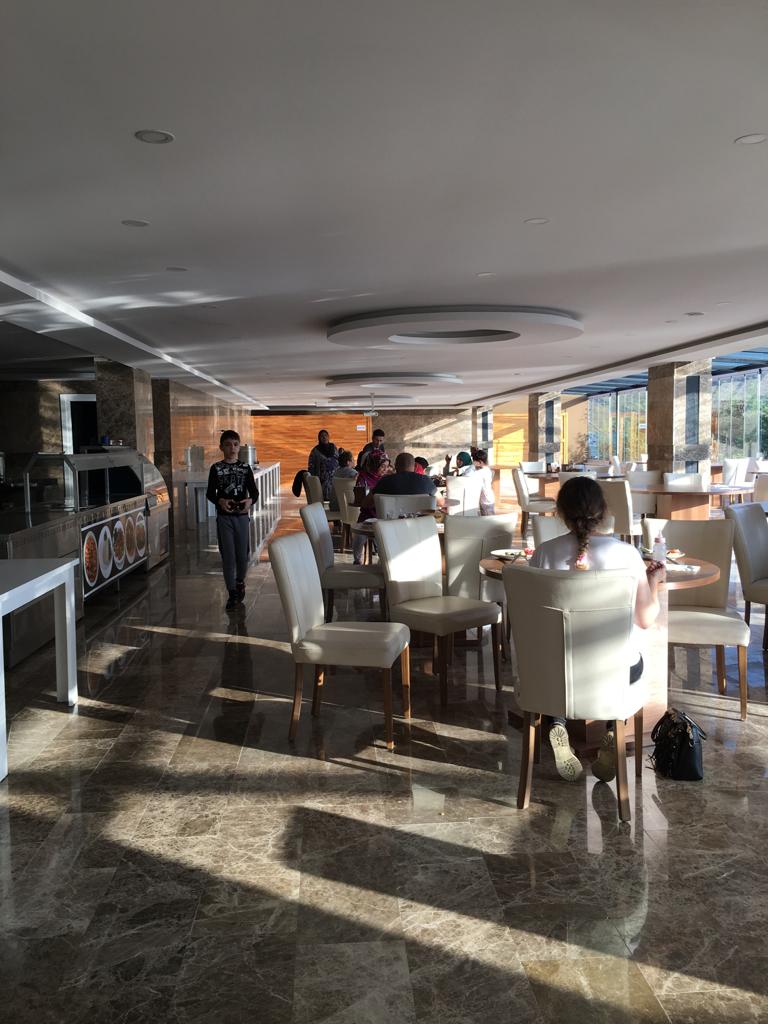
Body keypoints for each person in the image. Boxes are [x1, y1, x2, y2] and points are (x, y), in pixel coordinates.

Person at [527, 477, 664, 783]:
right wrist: (654, 583)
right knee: (632, 657)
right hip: (613, 672)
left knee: (559, 655)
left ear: (561, 513)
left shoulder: (544, 553)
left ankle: (557, 723)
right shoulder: (627, 555)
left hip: (555, 673)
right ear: (603, 511)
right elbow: (645, 619)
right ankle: (613, 729)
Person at [206, 430, 259, 610]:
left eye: (235, 444)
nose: (232, 448)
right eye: (228, 445)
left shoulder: (245, 468)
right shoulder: (216, 468)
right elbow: (210, 493)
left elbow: (254, 493)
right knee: (228, 555)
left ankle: (240, 581)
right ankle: (231, 592)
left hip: (241, 517)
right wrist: (220, 501)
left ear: (239, 447)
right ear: (221, 447)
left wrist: (249, 501)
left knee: (242, 555)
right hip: (224, 518)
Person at [352, 451, 390, 564]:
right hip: (367, 515)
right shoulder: (363, 477)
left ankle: (383, 561)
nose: (385, 469)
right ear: (374, 465)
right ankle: (357, 561)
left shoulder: (387, 479)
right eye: (382, 466)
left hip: (382, 516)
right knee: (359, 538)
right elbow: (360, 499)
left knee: (383, 540)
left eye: (387, 466)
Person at [308, 429, 339, 502]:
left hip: (334, 478)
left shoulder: (333, 447)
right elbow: (311, 466)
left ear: (328, 437)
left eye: (326, 435)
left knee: (334, 499)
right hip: (322, 479)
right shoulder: (315, 451)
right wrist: (313, 480)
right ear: (319, 438)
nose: (324, 437)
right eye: (322, 436)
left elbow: (338, 459)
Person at [472, 449, 495, 515]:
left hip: (486, 501)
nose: (473, 463)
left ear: (480, 462)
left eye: (474, 461)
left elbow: (470, 476)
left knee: (488, 519)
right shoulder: (487, 469)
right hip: (487, 499)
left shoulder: (480, 472)